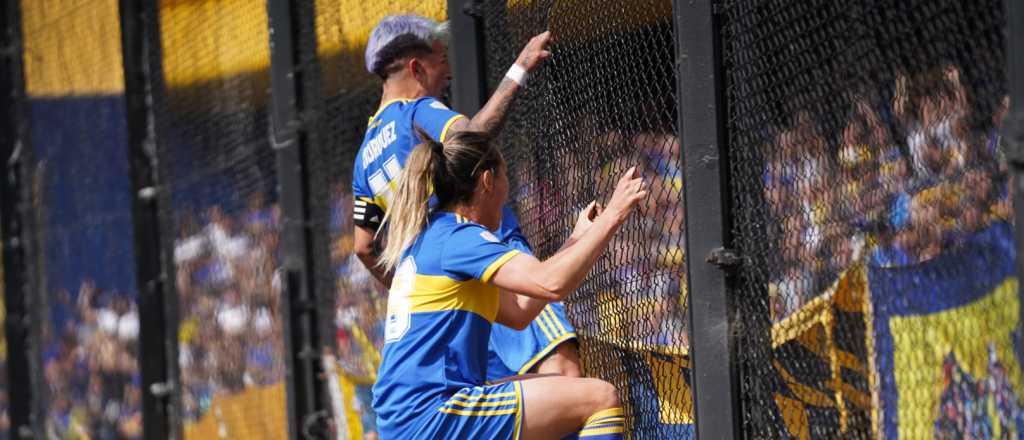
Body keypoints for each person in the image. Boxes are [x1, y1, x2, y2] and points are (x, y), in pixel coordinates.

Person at [373, 128, 645, 439]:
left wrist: (577, 238)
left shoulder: (432, 237)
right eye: (505, 177)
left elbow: (519, 312)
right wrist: (615, 214)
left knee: (558, 385)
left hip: (409, 415)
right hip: (433, 412)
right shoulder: (460, 237)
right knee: (600, 399)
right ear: (488, 181)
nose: (507, 192)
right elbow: (552, 283)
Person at [351, 14, 581, 380]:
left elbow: (364, 246)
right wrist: (519, 69)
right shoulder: (416, 110)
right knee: (563, 373)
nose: (449, 73)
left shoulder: (365, 155)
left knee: (501, 398)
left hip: (446, 289)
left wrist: (411, 284)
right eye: (441, 60)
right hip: (489, 254)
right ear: (417, 67)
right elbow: (470, 138)